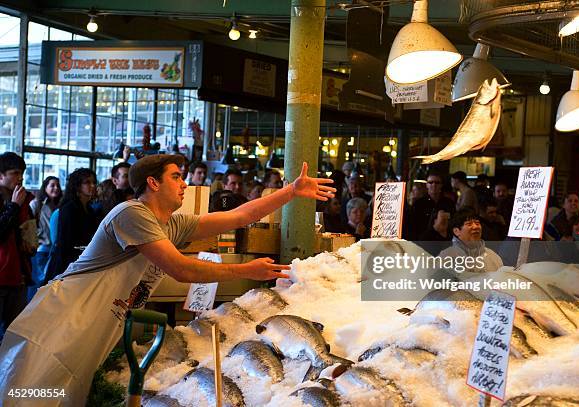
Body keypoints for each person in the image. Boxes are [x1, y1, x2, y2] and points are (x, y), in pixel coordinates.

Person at [0, 156, 335, 405]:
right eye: (176, 177)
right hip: (62, 319)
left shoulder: (173, 224)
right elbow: (181, 270)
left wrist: (291, 192)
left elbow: (239, 215)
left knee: (64, 396)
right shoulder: (133, 214)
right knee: (29, 395)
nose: (184, 184)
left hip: (95, 326)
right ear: (153, 183)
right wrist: (244, 271)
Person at [0, 152, 36, 342]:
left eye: (22, 172)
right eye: (14, 172)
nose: (20, 177)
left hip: (19, 275)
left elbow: (30, 234)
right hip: (2, 274)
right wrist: (13, 206)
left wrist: (31, 246)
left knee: (15, 334)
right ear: (1, 175)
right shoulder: (16, 202)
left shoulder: (25, 202)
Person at [45, 168, 100, 283]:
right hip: (68, 264)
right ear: (77, 186)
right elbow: (67, 243)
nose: (92, 186)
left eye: (94, 182)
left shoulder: (90, 209)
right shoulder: (69, 209)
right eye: (87, 182)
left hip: (84, 261)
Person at [28, 176, 62, 302]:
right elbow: (29, 223)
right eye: (52, 185)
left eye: (58, 185)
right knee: (38, 281)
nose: (56, 188)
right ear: (45, 187)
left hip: (55, 249)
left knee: (50, 282)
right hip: (41, 248)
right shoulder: (36, 203)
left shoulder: (60, 205)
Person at [439, 208, 503, 273]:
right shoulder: (446, 257)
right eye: (469, 224)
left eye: (477, 223)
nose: (475, 227)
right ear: (456, 231)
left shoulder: (492, 256)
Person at [405, 172, 455, 241]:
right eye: (430, 182)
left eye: (437, 182)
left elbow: (453, 222)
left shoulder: (448, 203)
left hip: (443, 241)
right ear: (427, 185)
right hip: (424, 241)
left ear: (441, 185)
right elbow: (413, 226)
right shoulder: (419, 203)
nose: (434, 185)